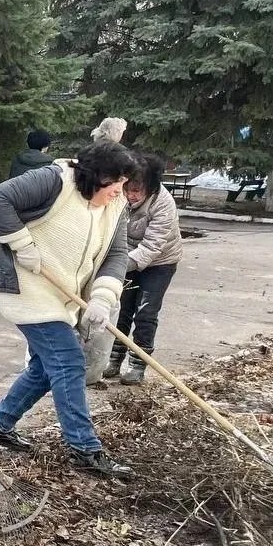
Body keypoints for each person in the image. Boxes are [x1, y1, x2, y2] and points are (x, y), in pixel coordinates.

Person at [0, 141, 139, 479]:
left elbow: (117, 254)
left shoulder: (115, 205)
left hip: (64, 296)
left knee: (43, 368)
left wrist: (103, 297)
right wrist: (21, 244)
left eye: (124, 184)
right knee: (68, 361)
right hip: (30, 289)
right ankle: (85, 448)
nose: (120, 192)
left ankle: (0, 423)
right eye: (115, 183)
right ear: (96, 176)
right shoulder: (56, 181)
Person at [105, 151, 182, 384]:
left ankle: (138, 364)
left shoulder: (163, 204)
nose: (130, 195)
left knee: (146, 311)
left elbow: (151, 247)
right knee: (122, 308)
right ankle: (114, 359)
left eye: (136, 190)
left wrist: (118, 266)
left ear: (150, 186)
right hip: (127, 258)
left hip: (160, 262)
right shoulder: (119, 196)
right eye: (127, 189)